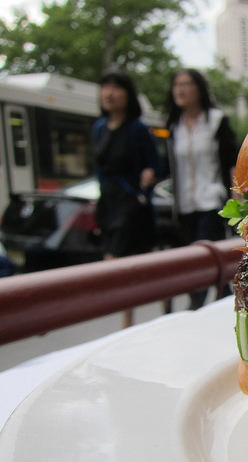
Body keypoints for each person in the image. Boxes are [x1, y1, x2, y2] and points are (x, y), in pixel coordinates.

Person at [92, 69, 161, 326]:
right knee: (114, 262)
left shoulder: (138, 129)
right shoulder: (98, 128)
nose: (109, 93)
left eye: (116, 87)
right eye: (104, 87)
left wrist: (148, 175)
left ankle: (127, 322)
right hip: (107, 203)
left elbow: (156, 165)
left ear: (127, 94)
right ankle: (130, 319)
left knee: (123, 264)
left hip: (131, 205)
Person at [165, 68, 238, 310]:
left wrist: (236, 193)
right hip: (184, 204)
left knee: (202, 258)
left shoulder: (216, 121)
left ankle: (194, 307)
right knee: (197, 260)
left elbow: (231, 161)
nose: (181, 90)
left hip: (211, 200)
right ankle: (224, 300)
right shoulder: (172, 126)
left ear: (199, 88)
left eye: (186, 84)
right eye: (177, 85)